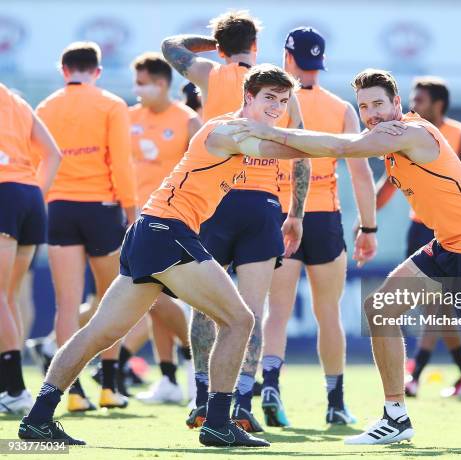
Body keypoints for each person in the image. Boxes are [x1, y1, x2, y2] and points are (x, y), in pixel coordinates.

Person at [227, 68, 461, 446]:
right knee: (381, 308)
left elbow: (341, 149)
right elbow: (351, 153)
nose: (372, 113)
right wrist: (367, 228)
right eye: (364, 107)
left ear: (397, 103)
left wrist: (270, 133)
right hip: (448, 243)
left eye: (378, 103)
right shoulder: (388, 139)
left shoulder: (409, 132)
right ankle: (396, 415)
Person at [18, 63, 314, 447]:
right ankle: (218, 422)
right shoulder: (230, 129)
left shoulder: (239, 130)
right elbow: (308, 146)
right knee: (239, 320)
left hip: (152, 230)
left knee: (100, 333)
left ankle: (38, 418)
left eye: (283, 100)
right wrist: (362, 143)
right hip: (166, 231)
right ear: (248, 98)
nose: (276, 106)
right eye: (269, 98)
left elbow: (293, 144)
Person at [162, 10, 306, 432]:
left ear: (221, 47)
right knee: (251, 309)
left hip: (214, 198)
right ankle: (241, 401)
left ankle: (202, 396)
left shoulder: (209, 72)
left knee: (205, 307)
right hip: (263, 203)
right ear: (256, 47)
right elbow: (300, 153)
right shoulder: (277, 89)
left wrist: (216, 47)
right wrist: (296, 213)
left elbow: (171, 46)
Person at [260, 27, 377, 428]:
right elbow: (361, 174)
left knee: (276, 312)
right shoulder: (340, 107)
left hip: (279, 213)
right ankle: (335, 402)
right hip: (325, 215)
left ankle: (271, 387)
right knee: (329, 313)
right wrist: (369, 228)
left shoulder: (272, 102)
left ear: (286, 57)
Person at [376, 76, 461, 399]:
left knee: (440, 307)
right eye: (412, 99)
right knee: (436, 306)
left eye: (420, 100)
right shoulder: (405, 135)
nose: (413, 105)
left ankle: (417, 373)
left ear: (438, 105)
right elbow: (388, 184)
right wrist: (367, 222)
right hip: (421, 229)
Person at [35, 42, 137, 412]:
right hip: (102, 207)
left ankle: (72, 393)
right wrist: (131, 210)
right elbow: (121, 164)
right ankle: (109, 387)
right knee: (109, 303)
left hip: (59, 207)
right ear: (97, 71)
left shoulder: (46, 106)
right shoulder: (111, 104)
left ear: (64, 70)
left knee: (66, 305)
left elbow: (39, 162)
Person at [127, 52, 201, 403]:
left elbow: (201, 171)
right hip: (135, 220)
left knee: (166, 296)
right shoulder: (129, 118)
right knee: (152, 297)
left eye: (141, 83)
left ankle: (194, 356)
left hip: (175, 220)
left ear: (160, 84)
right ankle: (169, 378)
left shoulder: (187, 120)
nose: (136, 90)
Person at [0, 84, 62, 414]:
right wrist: (34, 194)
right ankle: (7, 388)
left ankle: (14, 389)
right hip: (29, 197)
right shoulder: (18, 101)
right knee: (7, 299)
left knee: (2, 299)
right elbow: (53, 154)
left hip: (5, 195)